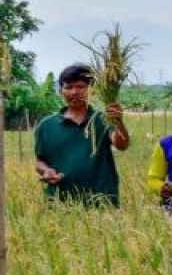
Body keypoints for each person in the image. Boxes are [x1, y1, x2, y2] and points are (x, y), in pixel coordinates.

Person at [33, 63, 131, 206]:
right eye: (69, 87)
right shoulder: (47, 125)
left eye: (80, 86)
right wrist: (47, 171)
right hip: (59, 203)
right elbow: (40, 162)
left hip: (102, 202)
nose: (74, 92)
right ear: (60, 91)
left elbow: (122, 145)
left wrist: (118, 122)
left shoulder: (102, 120)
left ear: (92, 90)